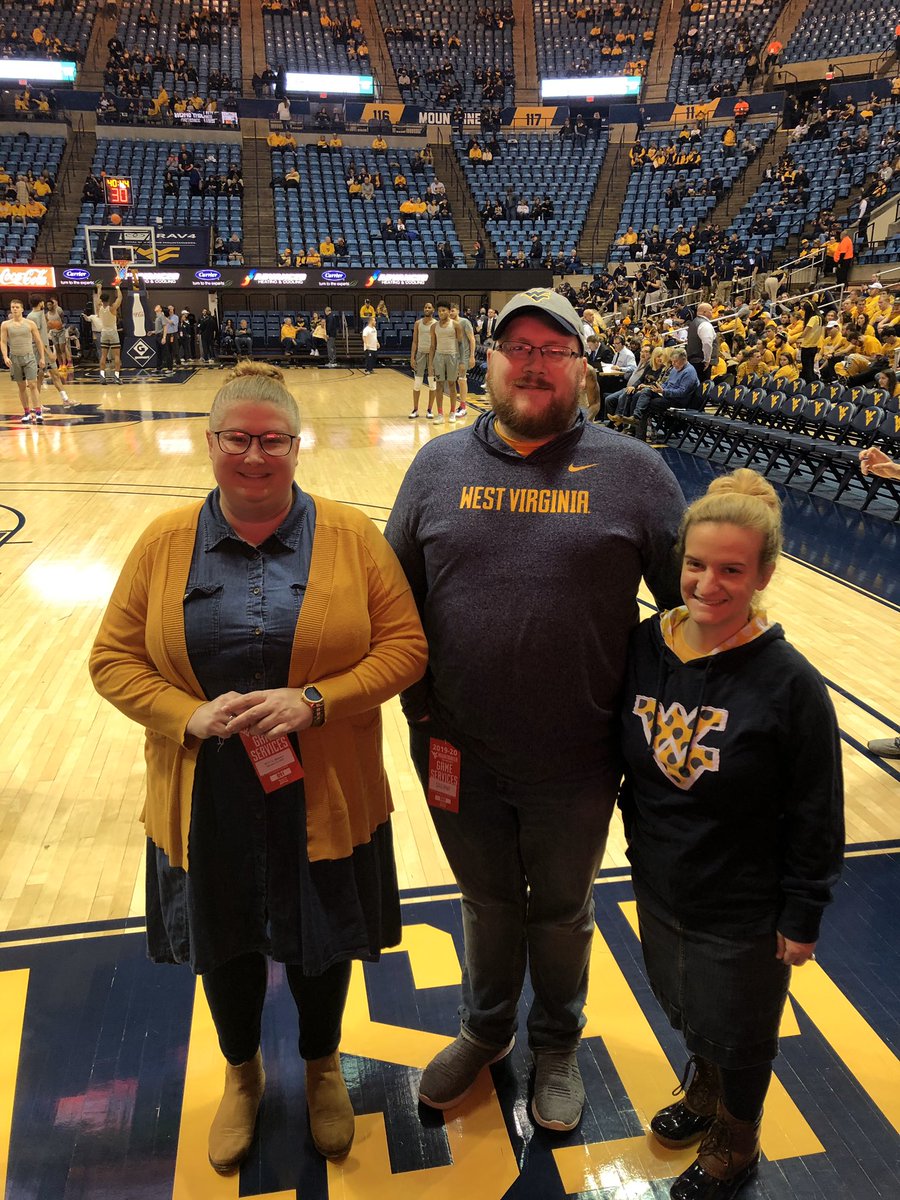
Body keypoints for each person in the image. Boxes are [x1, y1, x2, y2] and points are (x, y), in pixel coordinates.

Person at [89, 362, 427, 1171]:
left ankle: (321, 1067)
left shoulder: (353, 537)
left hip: (326, 788)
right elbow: (112, 659)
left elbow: (406, 649)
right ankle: (242, 1075)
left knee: (322, 942)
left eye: (271, 440)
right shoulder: (163, 542)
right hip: (204, 793)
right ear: (210, 443)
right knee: (226, 944)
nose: (253, 455)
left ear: (296, 447)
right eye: (236, 439)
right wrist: (188, 715)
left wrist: (316, 701)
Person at [385, 288, 685, 1132]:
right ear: (487, 362)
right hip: (455, 751)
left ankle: (556, 1043)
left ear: (583, 368)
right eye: (517, 347)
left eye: (555, 350)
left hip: (579, 757)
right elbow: (389, 602)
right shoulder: (436, 467)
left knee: (560, 910)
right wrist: (415, 712)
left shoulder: (636, 472)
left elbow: (687, 608)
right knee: (485, 902)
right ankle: (485, 1031)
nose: (534, 364)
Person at [618, 468, 843, 1200]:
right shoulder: (646, 645)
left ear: (764, 575)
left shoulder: (790, 683)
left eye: (732, 570)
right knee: (688, 1007)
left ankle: (737, 1140)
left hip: (745, 902)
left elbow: (816, 812)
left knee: (742, 1031)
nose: (708, 584)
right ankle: (706, 1087)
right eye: (696, 564)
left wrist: (802, 913)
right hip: (661, 880)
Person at [2, 297, 46, 423]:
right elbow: (3, 341)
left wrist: (42, 357)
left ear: (22, 309)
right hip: (14, 358)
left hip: (29, 357)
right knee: (21, 387)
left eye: (17, 307)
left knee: (32, 384)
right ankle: (27, 413)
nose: (14, 309)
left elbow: (38, 341)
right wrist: (5, 356)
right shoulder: (5, 325)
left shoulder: (30, 324)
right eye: (12, 307)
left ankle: (38, 412)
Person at [427, 301, 462, 421]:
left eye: (444, 310)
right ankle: (440, 414)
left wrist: (462, 361)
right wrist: (430, 364)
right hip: (439, 357)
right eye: (439, 310)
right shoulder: (434, 327)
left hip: (452, 356)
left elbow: (460, 344)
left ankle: (452, 412)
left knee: (452, 384)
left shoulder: (456, 325)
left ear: (448, 311)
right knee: (439, 385)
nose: (441, 313)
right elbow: (432, 346)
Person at [409, 301, 436, 418]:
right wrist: (412, 357)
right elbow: (415, 341)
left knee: (432, 384)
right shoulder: (418, 323)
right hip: (420, 354)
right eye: (425, 307)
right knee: (417, 383)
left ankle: (429, 410)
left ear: (433, 310)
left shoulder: (436, 324)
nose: (427, 309)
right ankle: (415, 409)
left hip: (432, 355)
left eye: (429, 307)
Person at [93, 280, 123, 383]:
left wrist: (99, 288)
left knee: (103, 355)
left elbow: (98, 299)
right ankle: (116, 377)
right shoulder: (112, 308)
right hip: (113, 332)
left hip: (104, 332)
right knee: (117, 356)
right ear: (109, 299)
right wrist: (117, 287)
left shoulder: (99, 308)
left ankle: (102, 376)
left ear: (101, 300)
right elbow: (119, 298)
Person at [450, 304, 475, 418]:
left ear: (458, 311)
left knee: (462, 380)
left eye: (453, 310)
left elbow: (472, 339)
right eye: (449, 311)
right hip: (452, 355)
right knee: (453, 381)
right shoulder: (448, 324)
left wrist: (472, 356)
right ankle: (456, 406)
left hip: (463, 355)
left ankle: (463, 407)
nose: (451, 313)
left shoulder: (465, 322)